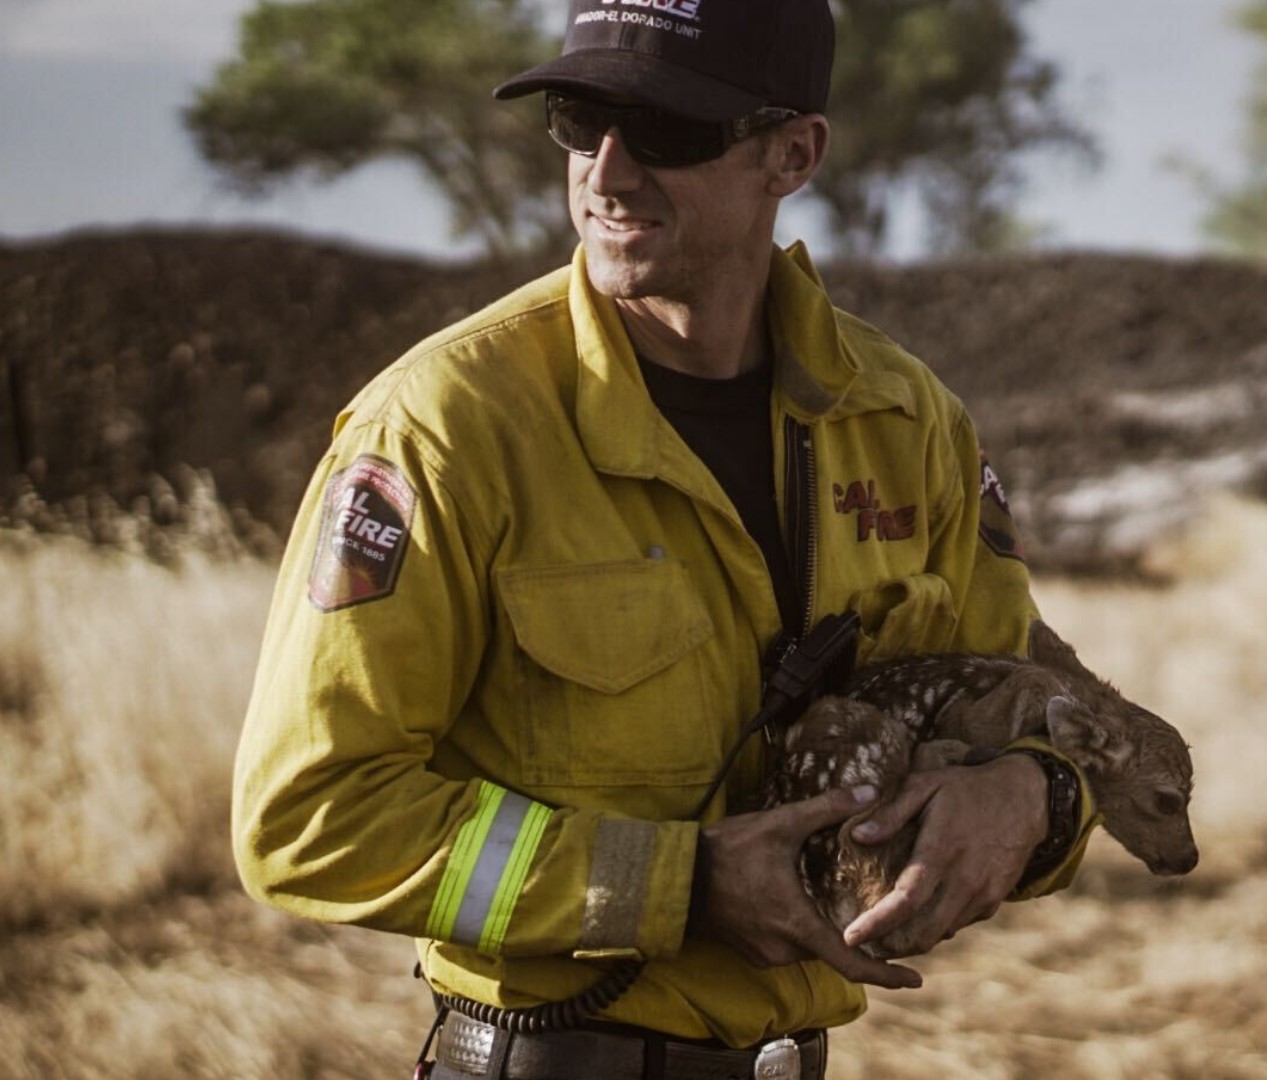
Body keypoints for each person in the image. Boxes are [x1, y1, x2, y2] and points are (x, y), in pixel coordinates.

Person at [229, 0, 1097, 1076]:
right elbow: (309, 817)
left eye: (672, 130)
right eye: (577, 118)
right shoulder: (444, 428)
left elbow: (1032, 701)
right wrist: (673, 883)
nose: (607, 170)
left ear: (795, 153)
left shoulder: (909, 425)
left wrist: (1033, 794)